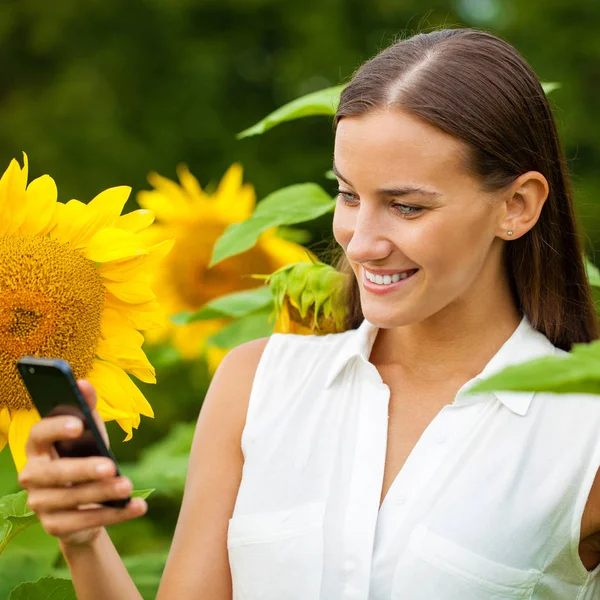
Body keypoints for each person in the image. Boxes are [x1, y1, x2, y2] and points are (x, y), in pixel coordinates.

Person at [17, 28, 600, 599]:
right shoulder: (255, 386)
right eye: (349, 195)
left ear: (517, 206)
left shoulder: (582, 436)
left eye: (406, 206)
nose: (360, 241)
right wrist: (85, 538)